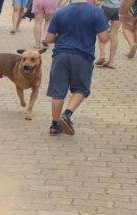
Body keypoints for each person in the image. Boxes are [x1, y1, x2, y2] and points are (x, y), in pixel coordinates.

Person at [44, 0, 109, 135]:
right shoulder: (96, 12)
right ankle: (67, 114)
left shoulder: (60, 12)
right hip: (83, 56)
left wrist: (62, 38)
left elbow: (48, 39)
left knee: (58, 91)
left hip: (60, 55)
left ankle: (55, 125)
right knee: (81, 88)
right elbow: (103, 38)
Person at [96, 0, 122, 68]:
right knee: (114, 35)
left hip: (106, 7)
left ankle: (102, 55)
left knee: (101, 31)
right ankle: (111, 62)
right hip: (119, 8)